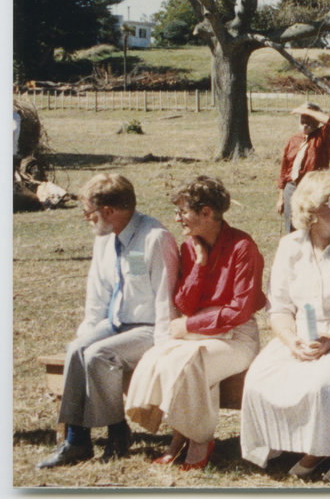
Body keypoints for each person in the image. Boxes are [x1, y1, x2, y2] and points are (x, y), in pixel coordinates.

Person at [240, 169, 330, 480]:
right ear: (309, 208)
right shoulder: (291, 245)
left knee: (324, 384)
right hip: (302, 335)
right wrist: (291, 341)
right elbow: (278, 308)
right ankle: (309, 444)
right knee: (258, 379)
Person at [37, 174, 179, 468]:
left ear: (110, 212)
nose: (88, 220)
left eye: (89, 214)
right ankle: (76, 440)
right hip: (115, 323)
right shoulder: (104, 239)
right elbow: (97, 295)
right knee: (78, 348)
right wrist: (88, 332)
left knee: (99, 354)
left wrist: (164, 349)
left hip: (148, 329)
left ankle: (117, 431)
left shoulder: (154, 237)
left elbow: (167, 299)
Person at [125, 176, 266, 470]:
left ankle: (197, 440)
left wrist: (190, 326)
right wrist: (199, 266)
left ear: (206, 213)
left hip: (236, 338)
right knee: (160, 356)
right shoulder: (190, 248)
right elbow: (184, 304)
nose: (177, 219)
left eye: (182, 211)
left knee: (192, 362)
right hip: (199, 333)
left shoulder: (243, 246)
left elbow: (239, 310)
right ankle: (182, 438)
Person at [276, 103, 330, 233]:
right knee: (291, 224)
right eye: (302, 120)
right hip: (291, 187)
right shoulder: (293, 139)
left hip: (312, 187)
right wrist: (281, 197)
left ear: (316, 120)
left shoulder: (323, 137)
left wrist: (307, 111)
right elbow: (284, 169)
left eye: (308, 121)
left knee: (311, 222)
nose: (304, 124)